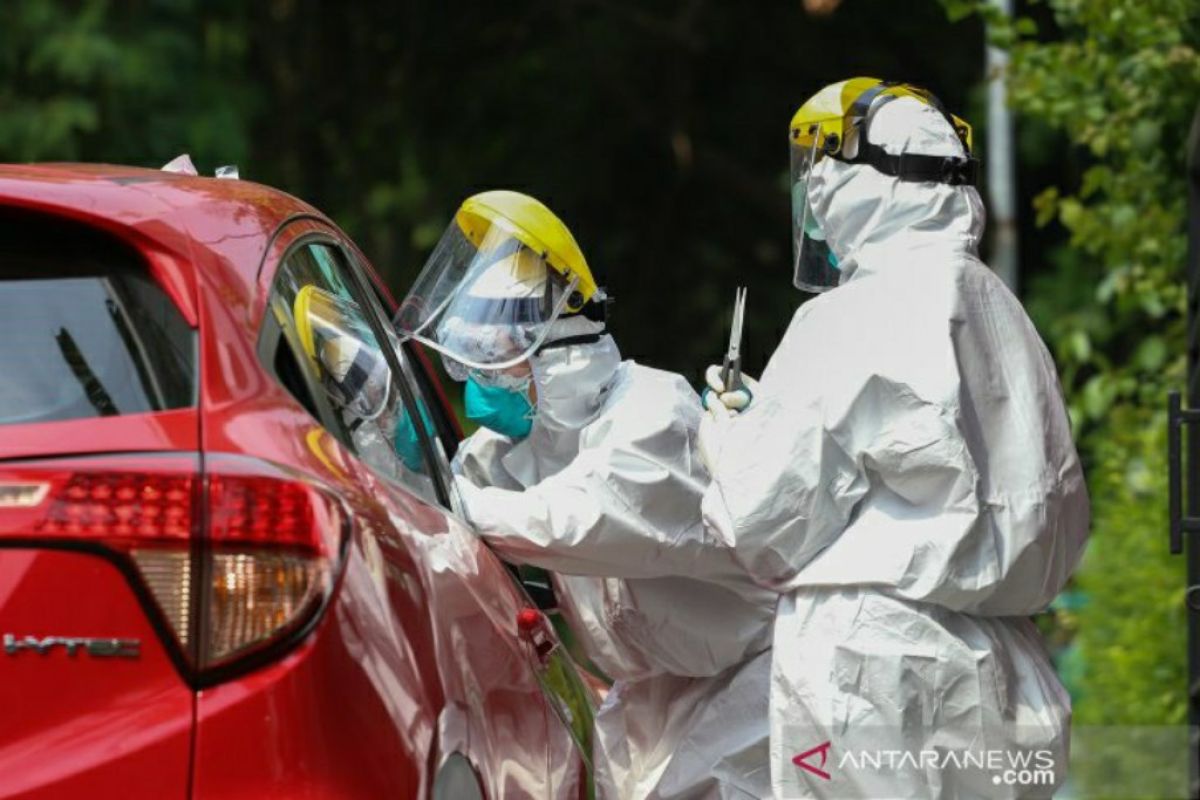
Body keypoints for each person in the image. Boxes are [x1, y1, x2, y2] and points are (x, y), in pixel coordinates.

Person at [699, 79, 1090, 798]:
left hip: (874, 666)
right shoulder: (1002, 310)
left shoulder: (847, 316)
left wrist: (726, 439)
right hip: (1003, 666)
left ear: (856, 181)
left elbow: (760, 524)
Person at [396, 190, 776, 799]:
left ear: (561, 354)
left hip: (753, 689)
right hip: (651, 704)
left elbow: (581, 517)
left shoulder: (652, 414)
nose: (480, 395)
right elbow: (442, 483)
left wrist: (449, 500)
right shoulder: (522, 449)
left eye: (497, 369)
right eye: (473, 371)